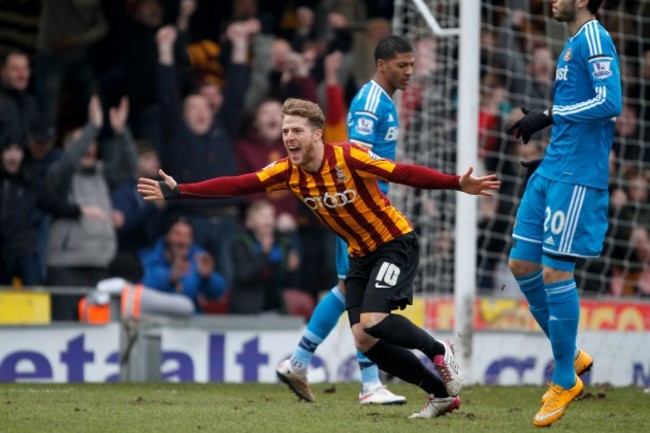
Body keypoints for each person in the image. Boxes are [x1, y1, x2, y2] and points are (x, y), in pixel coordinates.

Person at [138, 98, 500, 419]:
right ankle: (439, 395)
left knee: (374, 320)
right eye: (284, 131)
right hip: (360, 255)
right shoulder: (288, 173)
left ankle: (439, 349)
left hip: (394, 242)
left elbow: (401, 172)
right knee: (365, 341)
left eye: (296, 130)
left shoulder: (348, 155)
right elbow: (238, 184)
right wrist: (180, 191)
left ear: (316, 135)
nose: (288, 137)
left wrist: (456, 183)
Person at [278, 35, 415, 405]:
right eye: (403, 65)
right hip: (359, 212)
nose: (409, 72)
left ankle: (302, 361)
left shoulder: (382, 99)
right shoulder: (371, 101)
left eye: (411, 65)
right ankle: (367, 382)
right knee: (353, 292)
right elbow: (356, 157)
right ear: (382, 64)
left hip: (366, 209)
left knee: (349, 292)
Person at [506, 0, 622, 427]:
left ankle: (564, 377)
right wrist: (550, 153)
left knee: (556, 272)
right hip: (555, 167)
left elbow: (611, 102)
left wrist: (550, 114)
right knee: (520, 264)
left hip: (577, 175)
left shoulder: (594, 37)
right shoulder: (572, 41)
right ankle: (571, 355)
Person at [46, 95, 137, 321]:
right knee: (65, 330)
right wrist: (92, 127)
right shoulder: (60, 176)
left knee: (98, 332)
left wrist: (121, 132)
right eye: (83, 143)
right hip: (67, 267)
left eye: (92, 143)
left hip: (100, 266)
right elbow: (68, 162)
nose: (89, 147)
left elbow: (130, 167)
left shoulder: (101, 173)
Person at [228, 200, 303, 316]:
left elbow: (286, 283)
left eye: (270, 216)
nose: (267, 221)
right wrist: (264, 254)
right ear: (249, 222)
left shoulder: (282, 244)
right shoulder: (240, 244)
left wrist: (291, 270)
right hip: (246, 311)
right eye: (262, 217)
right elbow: (244, 276)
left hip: (274, 309)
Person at [138, 217, 227, 313]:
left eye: (187, 236)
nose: (182, 241)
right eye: (177, 234)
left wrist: (208, 278)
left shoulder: (197, 258)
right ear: (166, 236)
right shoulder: (149, 257)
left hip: (190, 320)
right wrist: (170, 278)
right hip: (157, 318)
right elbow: (140, 290)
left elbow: (219, 293)